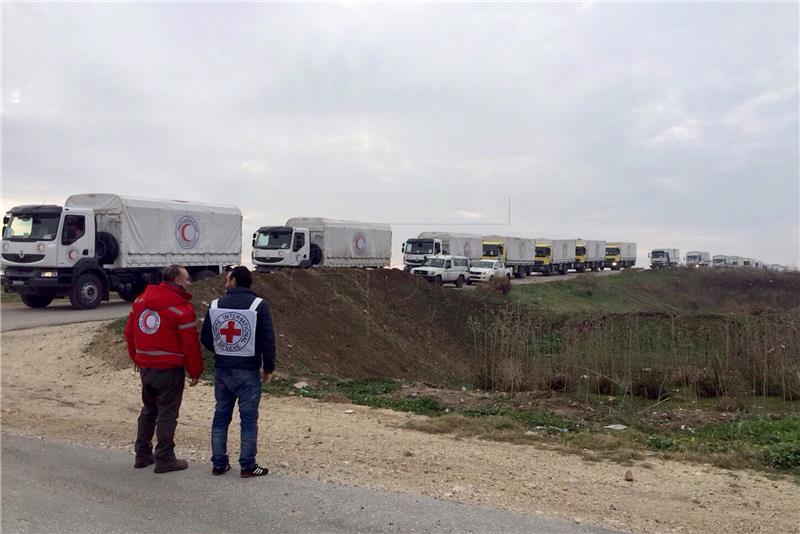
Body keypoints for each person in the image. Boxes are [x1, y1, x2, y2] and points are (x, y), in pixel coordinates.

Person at [125, 264, 203, 473]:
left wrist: (136, 356)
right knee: (168, 413)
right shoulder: (181, 308)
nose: (189, 282)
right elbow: (190, 344)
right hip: (169, 368)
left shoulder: (141, 301)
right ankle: (165, 458)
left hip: (146, 367)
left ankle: (142, 454)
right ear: (177, 280)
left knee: (149, 410)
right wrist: (195, 370)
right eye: (186, 279)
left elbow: (130, 331)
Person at [201, 265, 276, 478]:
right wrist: (268, 368)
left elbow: (206, 338)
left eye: (228, 278)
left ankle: (219, 463)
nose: (226, 282)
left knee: (221, 416)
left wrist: (223, 351)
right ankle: (247, 465)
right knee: (249, 419)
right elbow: (267, 340)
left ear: (234, 281)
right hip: (248, 370)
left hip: (223, 369)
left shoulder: (215, 305)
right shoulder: (259, 305)